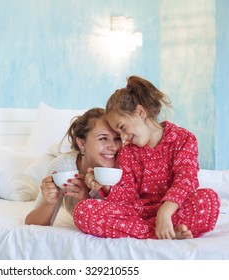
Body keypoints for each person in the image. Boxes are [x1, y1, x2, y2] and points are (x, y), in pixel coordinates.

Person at [73, 76, 221, 239]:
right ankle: (162, 232)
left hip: (173, 209)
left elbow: (186, 180)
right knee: (83, 211)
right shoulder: (128, 152)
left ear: (140, 112)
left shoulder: (183, 139)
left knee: (209, 199)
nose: (123, 137)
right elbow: (128, 196)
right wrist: (106, 187)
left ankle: (163, 226)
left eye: (122, 128)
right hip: (140, 212)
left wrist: (165, 212)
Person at [25, 108, 122, 226]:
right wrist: (49, 202)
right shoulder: (63, 167)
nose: (113, 147)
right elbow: (31, 225)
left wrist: (85, 201)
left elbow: (120, 223)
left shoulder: (124, 168)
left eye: (117, 138)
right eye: (103, 138)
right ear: (82, 144)